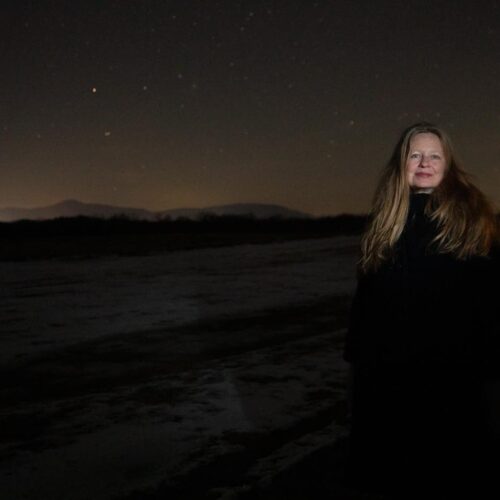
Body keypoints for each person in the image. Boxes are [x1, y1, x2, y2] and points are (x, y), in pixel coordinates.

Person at [343, 122, 500, 498]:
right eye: (415, 155)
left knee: (450, 471)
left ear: (448, 164)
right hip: (388, 377)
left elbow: (492, 300)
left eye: (434, 155)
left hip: (453, 375)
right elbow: (366, 300)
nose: (424, 162)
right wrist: (356, 360)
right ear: (402, 163)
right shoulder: (385, 220)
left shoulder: (474, 219)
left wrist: (491, 367)